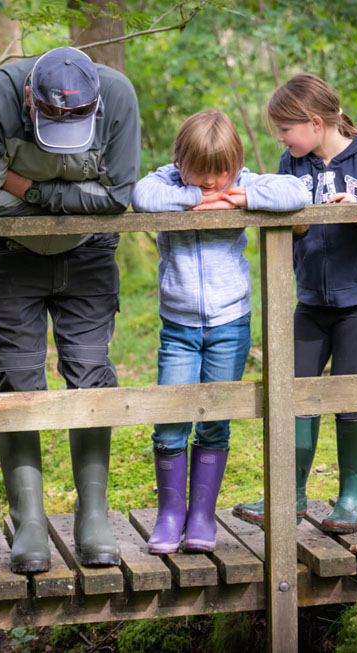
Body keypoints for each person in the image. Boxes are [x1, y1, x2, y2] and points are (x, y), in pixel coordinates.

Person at [0, 46, 140, 573]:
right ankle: (30, 524)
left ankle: (94, 516)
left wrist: (32, 188)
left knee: (91, 373)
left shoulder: (116, 95)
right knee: (18, 380)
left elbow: (116, 196)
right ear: (31, 99)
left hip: (89, 256)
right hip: (8, 257)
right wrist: (74, 193)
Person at [233, 73, 357, 534]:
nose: (281, 138)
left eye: (285, 129)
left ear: (316, 123)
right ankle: (290, 493)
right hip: (311, 301)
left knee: (350, 394)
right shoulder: (292, 163)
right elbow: (283, 210)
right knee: (294, 392)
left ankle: (354, 495)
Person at [131, 110, 309, 554]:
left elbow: (296, 191)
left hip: (230, 324)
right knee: (170, 422)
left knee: (215, 423)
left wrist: (241, 196)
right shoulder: (167, 182)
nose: (211, 182)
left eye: (220, 173)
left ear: (236, 164)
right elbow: (141, 196)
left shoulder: (241, 181)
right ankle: (169, 516)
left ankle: (202, 516)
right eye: (200, 172)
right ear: (180, 162)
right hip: (179, 327)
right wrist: (195, 197)